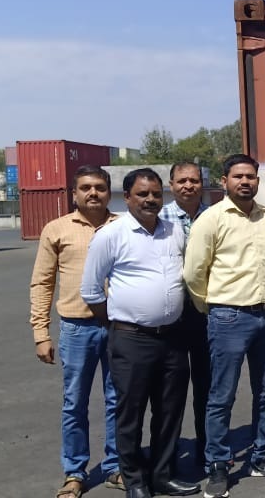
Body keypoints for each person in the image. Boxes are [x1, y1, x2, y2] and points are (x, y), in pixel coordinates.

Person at [81, 168, 199, 498]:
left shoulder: (174, 231)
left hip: (173, 338)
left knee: (170, 410)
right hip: (132, 339)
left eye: (156, 194)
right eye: (142, 194)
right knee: (130, 413)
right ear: (128, 197)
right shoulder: (111, 235)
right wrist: (118, 323)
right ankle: (134, 481)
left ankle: (162, 475)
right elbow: (91, 290)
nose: (150, 200)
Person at [184, 154, 265, 498]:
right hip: (228, 317)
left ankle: (263, 456)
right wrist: (212, 307)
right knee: (222, 395)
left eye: (250, 176)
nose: (245, 182)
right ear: (224, 181)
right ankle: (218, 465)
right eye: (238, 176)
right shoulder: (211, 219)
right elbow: (194, 272)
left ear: (257, 181)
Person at [29, 165, 125, 497]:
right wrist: (41, 333)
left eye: (99, 187)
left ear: (109, 192)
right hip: (76, 329)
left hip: (119, 327)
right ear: (74, 194)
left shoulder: (124, 227)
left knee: (119, 401)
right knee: (74, 403)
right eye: (85, 187)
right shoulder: (56, 230)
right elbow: (42, 282)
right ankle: (75, 473)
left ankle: (115, 467)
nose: (93, 193)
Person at [159, 161, 212, 467]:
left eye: (194, 180)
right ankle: (168, 458)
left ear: (202, 184)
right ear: (171, 185)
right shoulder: (159, 218)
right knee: (171, 390)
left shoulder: (215, 216)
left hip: (207, 312)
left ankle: (209, 450)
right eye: (182, 181)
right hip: (173, 316)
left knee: (208, 386)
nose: (188, 186)